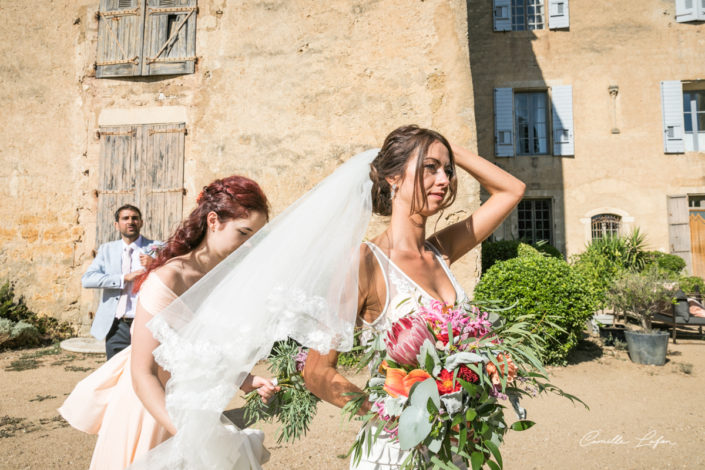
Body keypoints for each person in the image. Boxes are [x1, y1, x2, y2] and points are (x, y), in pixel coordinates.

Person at [303, 125, 526, 469]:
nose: (445, 180)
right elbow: (317, 372)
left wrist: (449, 150)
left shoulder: (442, 251)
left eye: (448, 171)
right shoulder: (364, 262)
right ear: (392, 177)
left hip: (455, 445)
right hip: (396, 450)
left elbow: (512, 190)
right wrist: (389, 415)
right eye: (429, 168)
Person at [59, 176, 277, 470]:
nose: (249, 246)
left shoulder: (224, 277)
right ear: (213, 221)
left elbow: (202, 347)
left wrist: (245, 379)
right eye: (243, 233)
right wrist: (187, 434)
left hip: (192, 406)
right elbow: (143, 373)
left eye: (255, 237)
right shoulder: (169, 278)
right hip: (152, 409)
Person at [82, 205, 162, 359]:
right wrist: (123, 278)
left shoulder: (157, 248)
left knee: (145, 371)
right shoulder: (106, 250)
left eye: (134, 218)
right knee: (114, 372)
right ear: (116, 225)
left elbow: (174, 276)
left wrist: (155, 264)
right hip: (117, 324)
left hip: (147, 323)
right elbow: (87, 279)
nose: (130, 222)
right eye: (125, 218)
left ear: (141, 222)